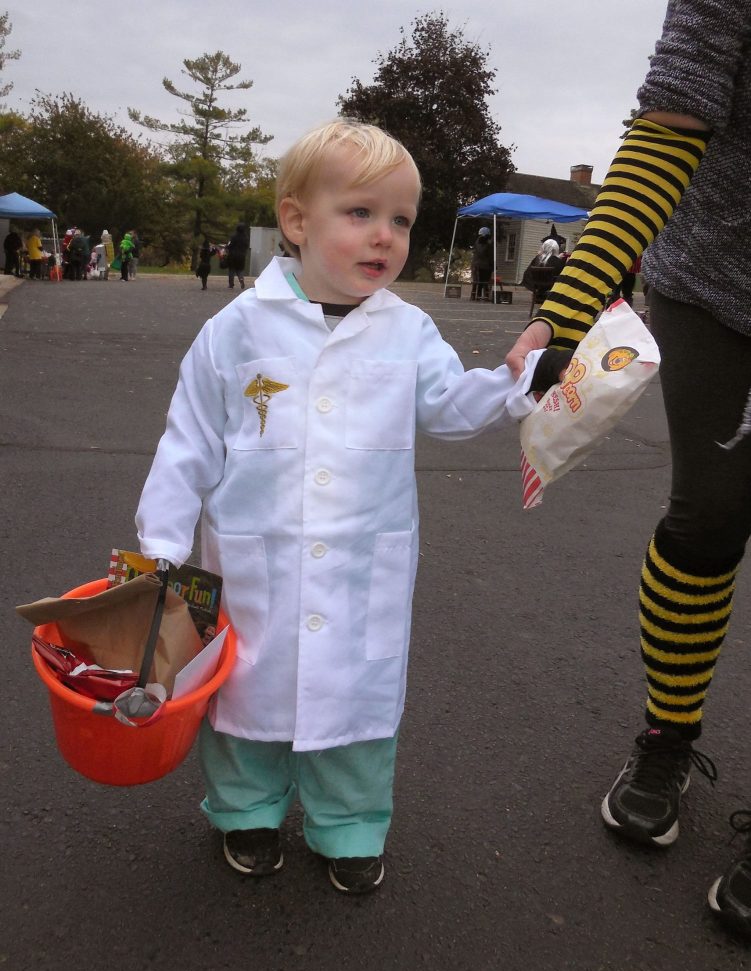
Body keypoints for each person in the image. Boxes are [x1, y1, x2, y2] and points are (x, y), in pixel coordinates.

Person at [134, 119, 563, 895]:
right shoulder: (235, 330)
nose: (384, 235)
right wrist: (160, 551)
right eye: (360, 213)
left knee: (355, 702)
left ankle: (350, 823)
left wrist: (518, 381)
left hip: (365, 563)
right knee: (244, 692)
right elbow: (186, 442)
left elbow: (448, 406)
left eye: (400, 219)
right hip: (256, 564)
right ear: (297, 221)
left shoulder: (406, 329)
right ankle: (245, 811)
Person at [505, 0, 751, 939]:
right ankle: (667, 737)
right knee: (707, 516)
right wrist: (567, 312)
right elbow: (665, 132)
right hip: (715, 282)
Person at [470, 226, 493, 300]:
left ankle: (474, 295)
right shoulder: (487, 244)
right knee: (484, 281)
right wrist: (492, 265)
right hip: (484, 265)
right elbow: (489, 255)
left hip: (475, 264)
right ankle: (485, 296)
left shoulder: (476, 243)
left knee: (476, 280)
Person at [225, 223, 249, 289]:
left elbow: (229, 245)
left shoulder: (233, 237)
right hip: (242, 256)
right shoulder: (246, 238)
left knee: (231, 270)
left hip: (233, 256)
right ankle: (241, 279)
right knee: (240, 270)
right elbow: (246, 246)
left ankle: (231, 284)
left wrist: (227, 247)